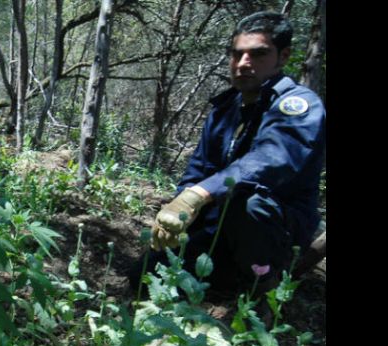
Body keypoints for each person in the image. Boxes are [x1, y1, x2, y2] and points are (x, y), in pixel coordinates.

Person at [127, 11, 326, 296]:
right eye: (237, 54)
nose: (244, 63)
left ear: (283, 57)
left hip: (274, 233)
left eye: (258, 54)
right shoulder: (225, 109)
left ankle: (264, 289)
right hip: (217, 233)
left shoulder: (298, 105)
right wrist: (181, 209)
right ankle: (227, 281)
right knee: (145, 276)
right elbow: (198, 170)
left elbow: (273, 159)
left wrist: (199, 195)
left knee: (247, 202)